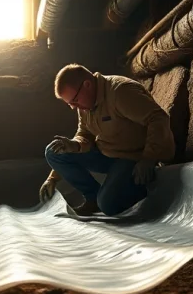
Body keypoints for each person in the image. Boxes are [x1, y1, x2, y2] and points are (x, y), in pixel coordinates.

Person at [39, 64, 174, 216]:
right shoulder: (85, 105)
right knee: (53, 152)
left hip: (133, 157)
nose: (74, 107)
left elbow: (158, 118)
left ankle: (142, 184)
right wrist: (69, 152)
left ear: (87, 85)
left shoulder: (120, 92)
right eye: (70, 104)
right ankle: (93, 199)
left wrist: (148, 158)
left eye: (74, 100)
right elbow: (84, 134)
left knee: (108, 205)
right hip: (108, 155)